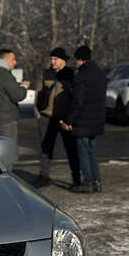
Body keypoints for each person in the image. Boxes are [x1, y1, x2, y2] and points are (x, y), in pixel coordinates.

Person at [60, 45, 106, 193]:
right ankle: (97, 182)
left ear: (79, 59)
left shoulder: (81, 76)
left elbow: (78, 101)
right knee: (92, 151)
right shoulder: (99, 73)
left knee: (83, 152)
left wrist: (68, 121)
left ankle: (87, 183)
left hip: (83, 120)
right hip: (96, 118)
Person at [33, 47, 81, 188]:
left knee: (71, 149)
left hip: (64, 118)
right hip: (46, 118)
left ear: (63, 60)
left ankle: (76, 179)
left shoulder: (71, 74)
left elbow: (76, 97)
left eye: (55, 59)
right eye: (51, 59)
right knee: (45, 149)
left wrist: (72, 117)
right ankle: (44, 176)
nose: (52, 62)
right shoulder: (46, 73)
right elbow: (37, 93)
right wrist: (37, 113)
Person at [0, 48, 30, 148]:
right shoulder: (5, 75)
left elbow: (0, 92)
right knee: (7, 151)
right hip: (6, 120)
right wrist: (23, 87)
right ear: (6, 60)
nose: (15, 62)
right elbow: (17, 95)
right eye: (13, 59)